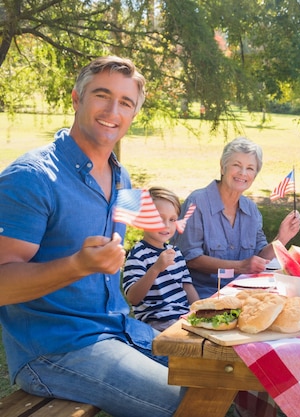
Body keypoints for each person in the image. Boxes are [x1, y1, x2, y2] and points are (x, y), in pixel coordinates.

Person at [0, 56, 183, 417]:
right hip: (56, 349)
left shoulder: (121, 179)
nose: (113, 110)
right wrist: (77, 265)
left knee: (217, 376)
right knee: (186, 403)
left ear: (133, 113)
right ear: (76, 99)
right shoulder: (30, 178)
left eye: (126, 102)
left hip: (118, 329)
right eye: (102, 95)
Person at [173, 136, 300, 299]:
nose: (242, 173)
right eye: (236, 165)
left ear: (255, 174)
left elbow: (259, 259)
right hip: (203, 295)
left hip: (244, 295)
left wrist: (281, 238)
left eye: (250, 168)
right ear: (222, 167)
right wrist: (240, 267)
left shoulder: (251, 209)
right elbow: (190, 258)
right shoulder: (197, 202)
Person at [123, 186, 200, 331]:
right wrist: (156, 268)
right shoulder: (138, 255)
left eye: (172, 220)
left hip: (183, 316)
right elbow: (133, 298)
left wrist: (202, 310)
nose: (166, 225)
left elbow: (187, 286)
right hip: (157, 322)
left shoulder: (175, 252)